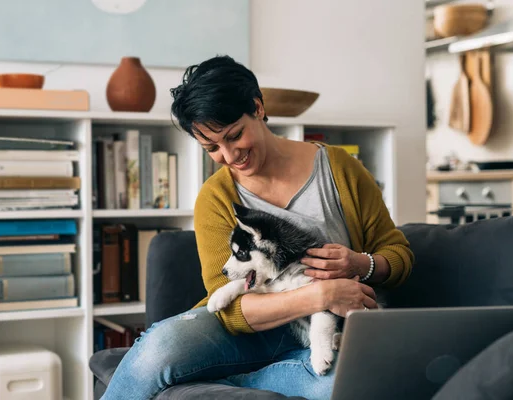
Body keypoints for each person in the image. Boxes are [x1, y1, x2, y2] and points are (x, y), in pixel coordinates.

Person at [100, 55, 414, 400]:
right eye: (211, 148)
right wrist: (320, 295)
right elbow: (231, 312)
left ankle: (239, 383)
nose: (229, 155)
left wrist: (361, 264)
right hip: (248, 328)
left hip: (324, 328)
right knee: (160, 346)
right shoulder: (216, 197)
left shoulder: (339, 169)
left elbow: (398, 256)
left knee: (345, 383)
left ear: (258, 107)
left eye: (235, 135)